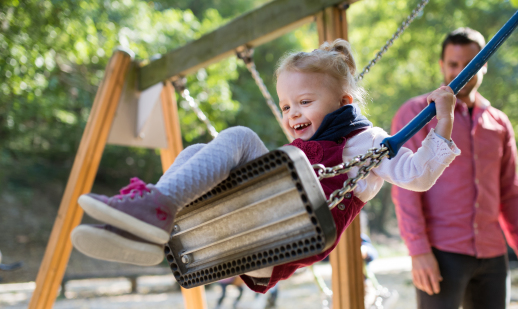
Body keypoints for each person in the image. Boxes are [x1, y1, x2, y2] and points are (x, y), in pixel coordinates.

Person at [71, 39, 460, 293]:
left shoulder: (367, 140)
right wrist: (324, 69)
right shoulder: (316, 137)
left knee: (240, 137)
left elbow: (418, 175)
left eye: (305, 101)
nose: (293, 114)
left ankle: (153, 209)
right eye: (287, 105)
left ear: (343, 101)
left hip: (295, 230)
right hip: (263, 234)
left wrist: (443, 120)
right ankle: (148, 227)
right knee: (192, 152)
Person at [391, 27, 518, 309]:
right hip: (442, 254)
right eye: (453, 64)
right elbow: (406, 191)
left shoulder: (498, 123)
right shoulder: (416, 113)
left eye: (470, 63)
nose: (461, 71)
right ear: (442, 65)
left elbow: (511, 192)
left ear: (483, 66)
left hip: (491, 255)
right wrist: (419, 251)